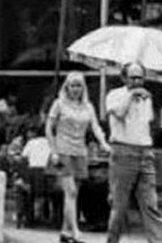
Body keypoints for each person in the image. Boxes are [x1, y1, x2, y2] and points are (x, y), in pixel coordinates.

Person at [105, 62, 162, 243]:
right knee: (119, 205)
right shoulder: (115, 95)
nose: (137, 82)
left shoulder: (146, 98)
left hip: (145, 152)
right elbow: (119, 114)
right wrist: (131, 95)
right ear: (124, 78)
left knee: (150, 204)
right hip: (123, 150)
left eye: (140, 78)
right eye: (133, 78)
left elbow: (147, 124)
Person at [46, 72, 111, 243]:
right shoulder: (59, 104)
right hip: (63, 150)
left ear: (83, 88)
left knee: (74, 193)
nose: (76, 89)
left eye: (79, 85)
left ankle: (65, 231)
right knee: (71, 191)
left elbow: (95, 127)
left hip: (80, 152)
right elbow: (49, 128)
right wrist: (53, 150)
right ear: (66, 87)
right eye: (72, 85)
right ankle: (75, 231)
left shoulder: (88, 106)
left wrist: (104, 143)